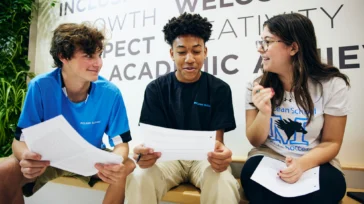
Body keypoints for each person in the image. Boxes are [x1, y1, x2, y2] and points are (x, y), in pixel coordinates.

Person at [0, 23, 135, 204]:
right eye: (88, 55)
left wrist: (116, 161)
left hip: (90, 160)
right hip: (48, 160)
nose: (98, 63)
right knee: (4, 169)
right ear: (63, 56)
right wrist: (26, 156)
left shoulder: (110, 93)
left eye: (99, 55)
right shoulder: (40, 86)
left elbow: (121, 144)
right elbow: (20, 140)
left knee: (126, 165)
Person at [125, 13, 241, 204]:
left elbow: (217, 144)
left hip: (204, 161)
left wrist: (220, 156)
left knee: (223, 181)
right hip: (166, 161)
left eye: (196, 51)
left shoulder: (219, 89)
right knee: (139, 177)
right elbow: (151, 140)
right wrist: (142, 154)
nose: (189, 59)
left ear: (205, 51)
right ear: (172, 53)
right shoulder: (156, 89)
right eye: (181, 52)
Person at [240, 13, 350, 203]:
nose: (260, 49)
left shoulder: (332, 84)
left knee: (331, 187)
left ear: (293, 47)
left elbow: (332, 142)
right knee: (254, 181)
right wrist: (264, 113)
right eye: (261, 41)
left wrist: (302, 164)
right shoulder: (256, 85)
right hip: (269, 156)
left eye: (268, 41)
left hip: (313, 160)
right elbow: (255, 141)